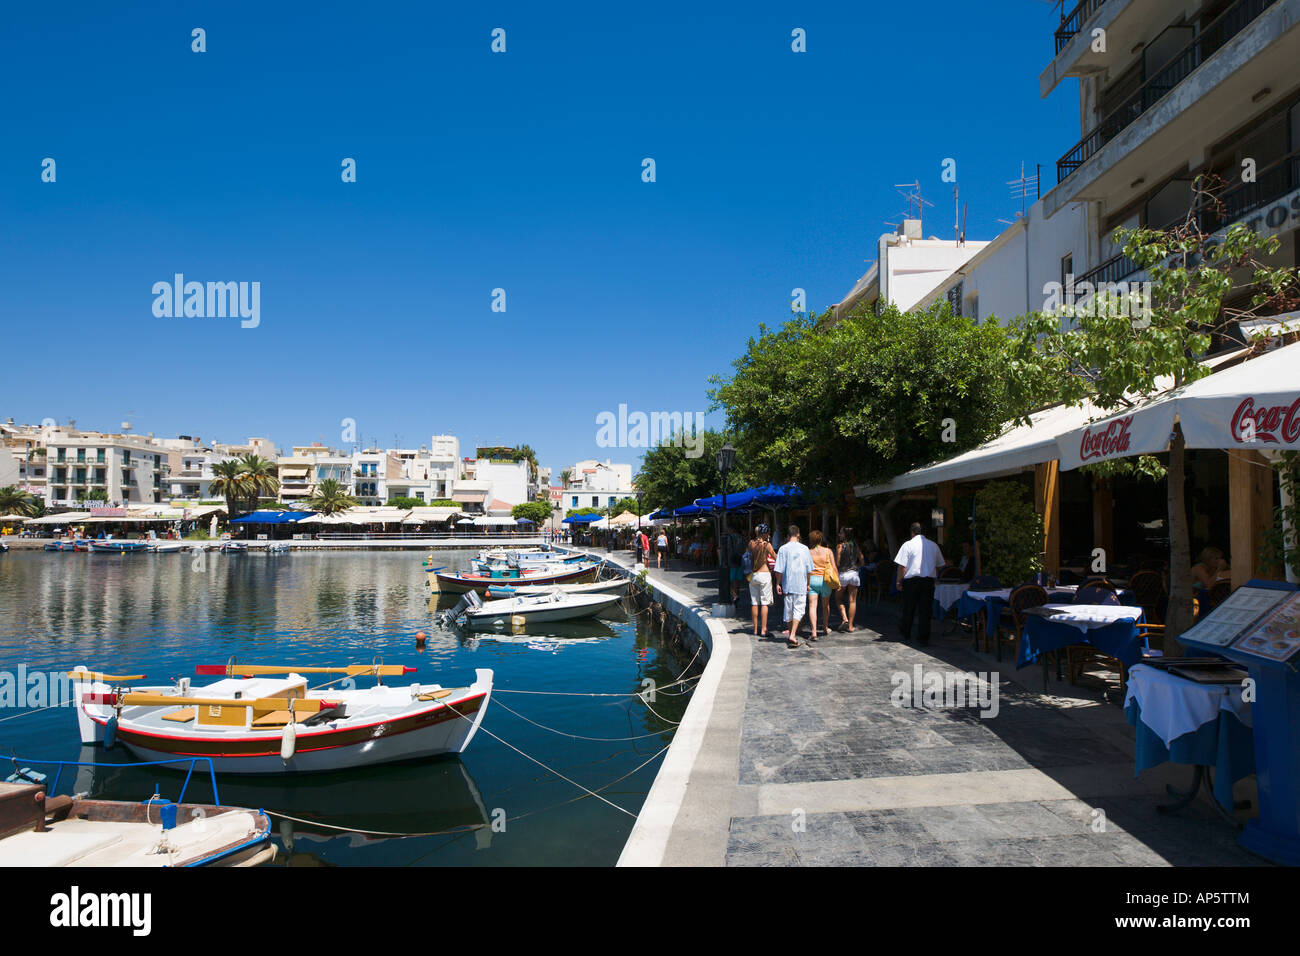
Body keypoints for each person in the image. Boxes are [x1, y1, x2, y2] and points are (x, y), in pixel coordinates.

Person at [894, 522, 946, 646]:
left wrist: (899, 581)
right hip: (928, 581)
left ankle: (906, 632)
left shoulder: (908, 545)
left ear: (912, 532)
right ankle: (923, 638)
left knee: (908, 607)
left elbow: (902, 566)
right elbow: (940, 565)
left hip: (912, 581)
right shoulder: (933, 545)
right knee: (925, 610)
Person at [774, 524, 814, 648]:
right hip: (800, 582)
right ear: (798, 534)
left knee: (789, 610)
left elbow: (779, 569)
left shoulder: (783, 549)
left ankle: (792, 634)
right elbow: (809, 569)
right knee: (799, 609)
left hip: (788, 583)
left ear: (788, 535)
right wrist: (808, 583)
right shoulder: (805, 549)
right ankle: (792, 635)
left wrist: (778, 583)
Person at [807, 530, 838, 641]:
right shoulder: (828, 551)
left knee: (812, 606)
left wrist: (807, 583)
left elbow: (807, 568)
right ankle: (825, 627)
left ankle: (814, 632)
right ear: (821, 540)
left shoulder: (808, 552)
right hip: (825, 580)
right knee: (825, 605)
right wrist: (837, 581)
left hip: (812, 580)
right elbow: (834, 567)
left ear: (811, 540)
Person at [747, 524, 777, 637]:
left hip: (753, 575)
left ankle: (755, 629)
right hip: (764, 574)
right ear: (765, 533)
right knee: (764, 603)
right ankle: (764, 629)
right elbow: (775, 557)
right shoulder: (767, 545)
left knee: (754, 603)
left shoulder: (751, 543)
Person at [835, 527, 862, 633]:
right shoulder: (855, 545)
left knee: (838, 598)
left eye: (841, 533)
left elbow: (837, 562)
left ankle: (844, 618)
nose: (839, 534)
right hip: (854, 574)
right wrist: (858, 566)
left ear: (845, 535)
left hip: (843, 574)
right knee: (852, 601)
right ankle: (850, 626)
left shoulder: (840, 546)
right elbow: (862, 558)